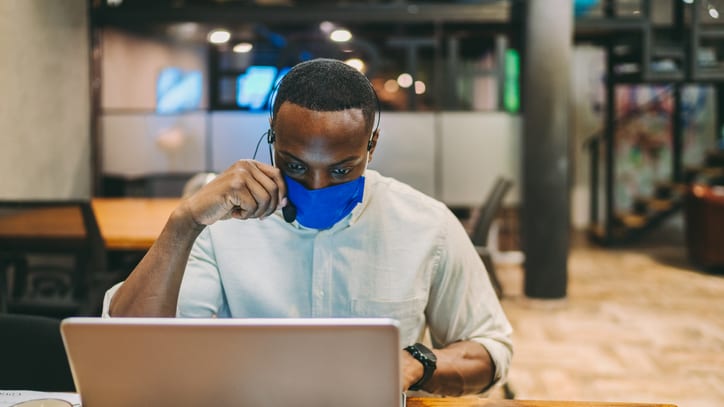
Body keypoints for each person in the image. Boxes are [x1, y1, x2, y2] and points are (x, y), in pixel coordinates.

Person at [104, 58, 513, 396]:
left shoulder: (426, 225)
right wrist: (184, 222)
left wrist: (417, 363)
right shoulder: (225, 222)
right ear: (271, 140)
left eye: (340, 170)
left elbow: (491, 349)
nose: (316, 186)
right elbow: (130, 353)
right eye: (295, 165)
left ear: (371, 145)